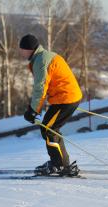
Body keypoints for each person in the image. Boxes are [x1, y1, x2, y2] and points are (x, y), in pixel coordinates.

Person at [19, 34, 82, 176]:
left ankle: (59, 165)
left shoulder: (41, 61)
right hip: (64, 97)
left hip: (66, 99)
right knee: (51, 129)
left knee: (48, 129)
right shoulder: (43, 57)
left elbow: (40, 87)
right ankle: (62, 163)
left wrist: (33, 110)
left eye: (21, 50)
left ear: (28, 49)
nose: (20, 53)